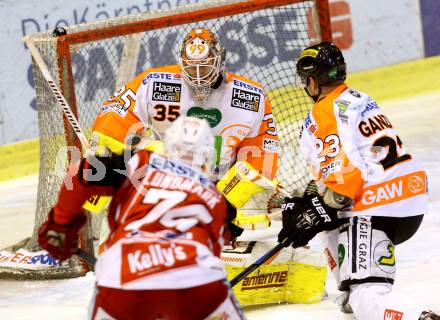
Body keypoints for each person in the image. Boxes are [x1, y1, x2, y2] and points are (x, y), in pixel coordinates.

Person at [277, 42, 439, 320]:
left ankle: (401, 309)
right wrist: (311, 203)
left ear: (313, 80)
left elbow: (346, 175)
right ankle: (352, 287)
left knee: (368, 298)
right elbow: (337, 172)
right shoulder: (359, 98)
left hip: (377, 205)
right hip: (409, 198)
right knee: (328, 222)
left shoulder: (323, 112)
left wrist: (316, 211)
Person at [38, 116, 246, 320]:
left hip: (123, 276)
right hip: (197, 280)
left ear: (167, 145)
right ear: (209, 156)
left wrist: (60, 224)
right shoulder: (216, 198)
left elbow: (80, 173)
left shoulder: (139, 161)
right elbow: (217, 247)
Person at [87, 27, 280, 231]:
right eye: (191, 68)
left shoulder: (250, 96)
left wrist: (231, 203)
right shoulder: (155, 83)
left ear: (219, 60)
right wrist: (102, 156)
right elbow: (114, 117)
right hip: (168, 182)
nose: (198, 77)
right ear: (182, 63)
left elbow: (262, 150)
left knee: (257, 201)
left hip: (223, 184)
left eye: (204, 68)